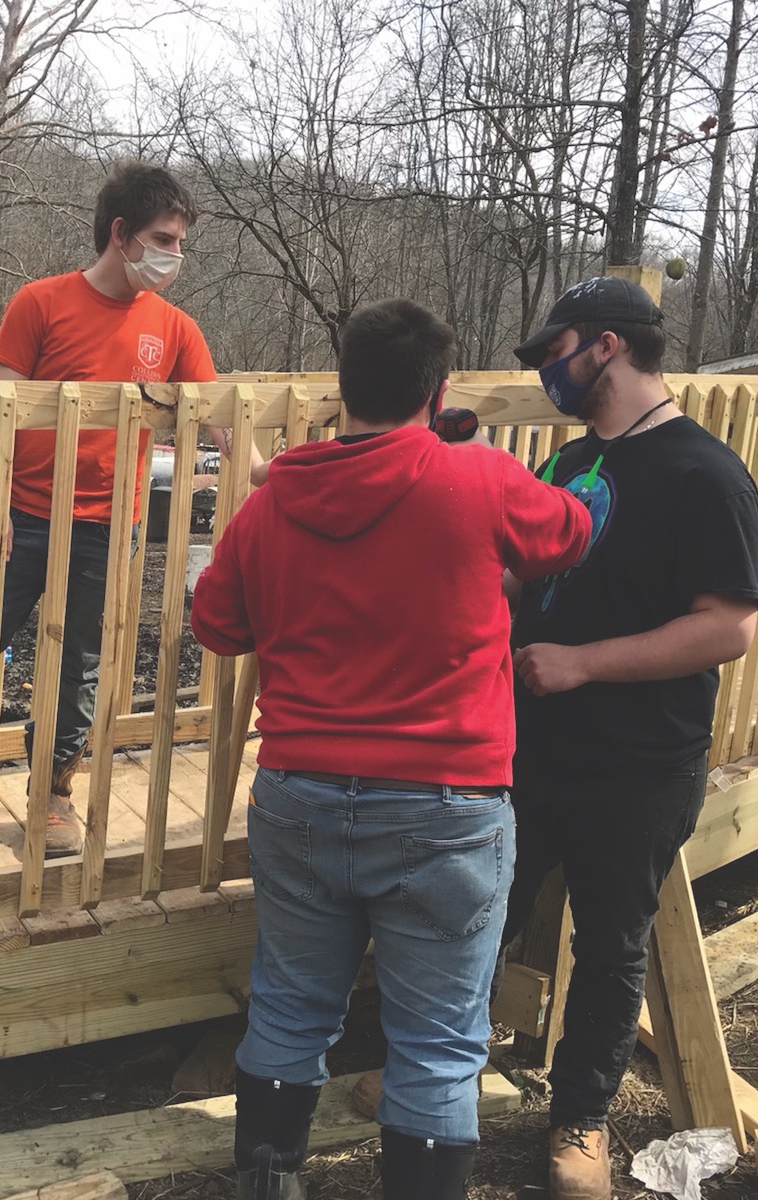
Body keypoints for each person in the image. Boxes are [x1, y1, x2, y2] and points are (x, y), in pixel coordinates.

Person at [190, 299, 592, 1199]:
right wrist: (460, 458)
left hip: (299, 795)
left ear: (343, 390)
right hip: (444, 806)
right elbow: (570, 530)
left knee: (290, 1009)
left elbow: (215, 624)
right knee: (441, 1042)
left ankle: (266, 1184)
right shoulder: (479, 478)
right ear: (438, 390)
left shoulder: (274, 500)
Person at [0, 161, 243, 858]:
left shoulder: (175, 328)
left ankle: (53, 800)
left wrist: (280, 471)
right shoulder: (40, 303)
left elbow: (222, 425)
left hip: (111, 525)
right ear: (121, 234)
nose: (175, 256)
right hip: (24, 517)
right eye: (165, 238)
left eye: (180, 242)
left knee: (80, 665)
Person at [502, 276, 758, 1200]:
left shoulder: (704, 473)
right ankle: (443, 1078)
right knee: (478, 916)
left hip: (639, 761)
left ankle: (580, 1120)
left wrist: (583, 664)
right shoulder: (567, 464)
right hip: (530, 749)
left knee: (612, 946)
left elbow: (729, 626)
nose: (544, 370)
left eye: (552, 351)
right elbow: (521, 580)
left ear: (605, 346)